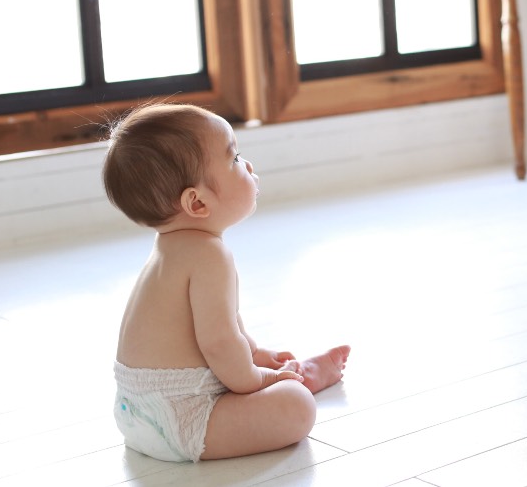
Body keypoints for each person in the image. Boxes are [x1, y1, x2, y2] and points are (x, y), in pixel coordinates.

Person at [103, 102, 351, 462]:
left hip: (135, 413)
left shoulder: (169, 248)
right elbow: (219, 343)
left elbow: (224, 326)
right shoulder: (209, 255)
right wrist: (258, 378)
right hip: (182, 420)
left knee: (256, 373)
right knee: (295, 405)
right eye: (234, 159)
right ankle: (299, 380)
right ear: (197, 203)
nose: (247, 165)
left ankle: (292, 373)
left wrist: (255, 354)